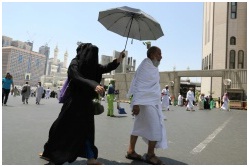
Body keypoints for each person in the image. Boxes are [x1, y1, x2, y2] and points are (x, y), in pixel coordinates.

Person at [40, 43, 125, 165]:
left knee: (87, 131)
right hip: (73, 103)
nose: (93, 57)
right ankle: (50, 153)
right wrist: (94, 84)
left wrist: (119, 59)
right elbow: (76, 76)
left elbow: (106, 67)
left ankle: (91, 158)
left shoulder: (93, 66)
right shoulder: (75, 63)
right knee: (60, 128)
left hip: (86, 104)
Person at [126, 46, 167, 165]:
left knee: (138, 126)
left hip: (149, 101)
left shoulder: (152, 67)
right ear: (153, 55)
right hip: (144, 102)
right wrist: (136, 104)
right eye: (159, 54)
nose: (161, 57)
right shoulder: (145, 66)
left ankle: (130, 150)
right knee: (156, 127)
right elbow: (138, 84)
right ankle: (150, 155)